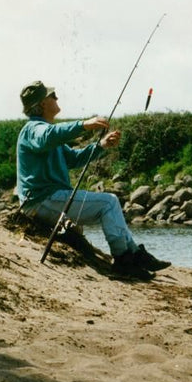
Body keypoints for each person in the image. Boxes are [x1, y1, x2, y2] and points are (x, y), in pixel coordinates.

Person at [15, 80, 170, 279]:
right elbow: (47, 136)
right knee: (109, 202)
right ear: (43, 104)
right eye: (52, 96)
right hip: (41, 201)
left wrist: (102, 145)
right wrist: (83, 125)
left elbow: (74, 158)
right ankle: (123, 258)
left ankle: (134, 253)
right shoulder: (33, 129)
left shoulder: (46, 132)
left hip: (47, 200)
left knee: (108, 204)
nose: (57, 98)